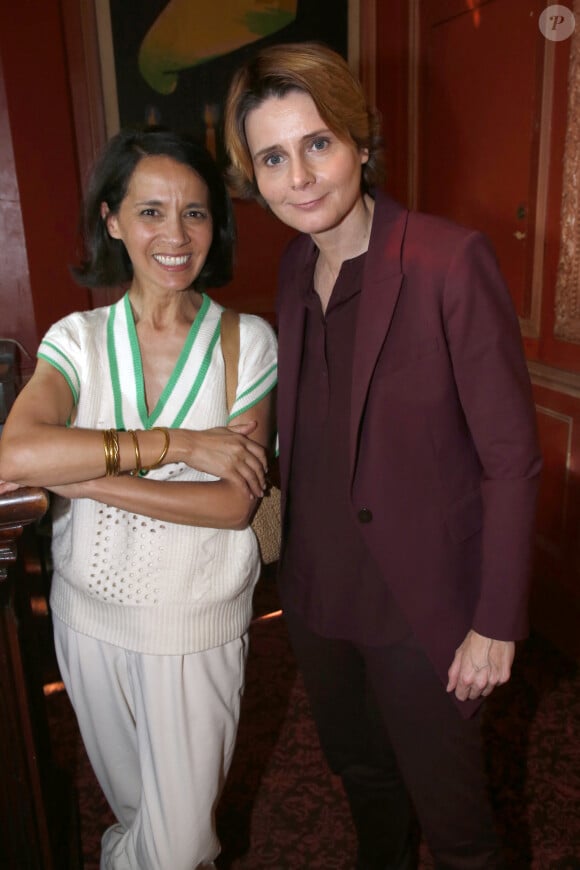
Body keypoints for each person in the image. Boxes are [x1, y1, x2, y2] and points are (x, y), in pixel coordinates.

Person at [224, 42, 542, 869]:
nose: (300, 176)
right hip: (321, 597)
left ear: (361, 142)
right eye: (272, 157)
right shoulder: (294, 268)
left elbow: (512, 458)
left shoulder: (447, 261)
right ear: (253, 177)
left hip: (422, 608)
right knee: (363, 781)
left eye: (318, 143)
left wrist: (495, 623)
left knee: (458, 823)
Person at [0, 127, 277, 869]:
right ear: (112, 219)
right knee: (133, 813)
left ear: (215, 224)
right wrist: (180, 445)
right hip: (87, 623)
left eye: (195, 212)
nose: (175, 234)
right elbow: (16, 453)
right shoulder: (77, 339)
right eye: (151, 211)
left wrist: (81, 476)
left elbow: (232, 506)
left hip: (195, 624)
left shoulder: (245, 342)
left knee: (181, 845)